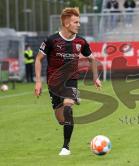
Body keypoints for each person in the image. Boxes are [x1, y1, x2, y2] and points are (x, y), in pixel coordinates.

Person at [34, 7, 102, 156]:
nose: (79, 24)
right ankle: (71, 100)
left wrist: (95, 77)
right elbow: (38, 59)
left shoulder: (81, 41)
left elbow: (92, 59)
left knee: (68, 108)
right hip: (53, 83)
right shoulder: (52, 40)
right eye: (75, 22)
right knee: (61, 119)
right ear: (66, 24)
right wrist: (38, 81)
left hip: (71, 80)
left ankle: (66, 147)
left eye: (78, 21)